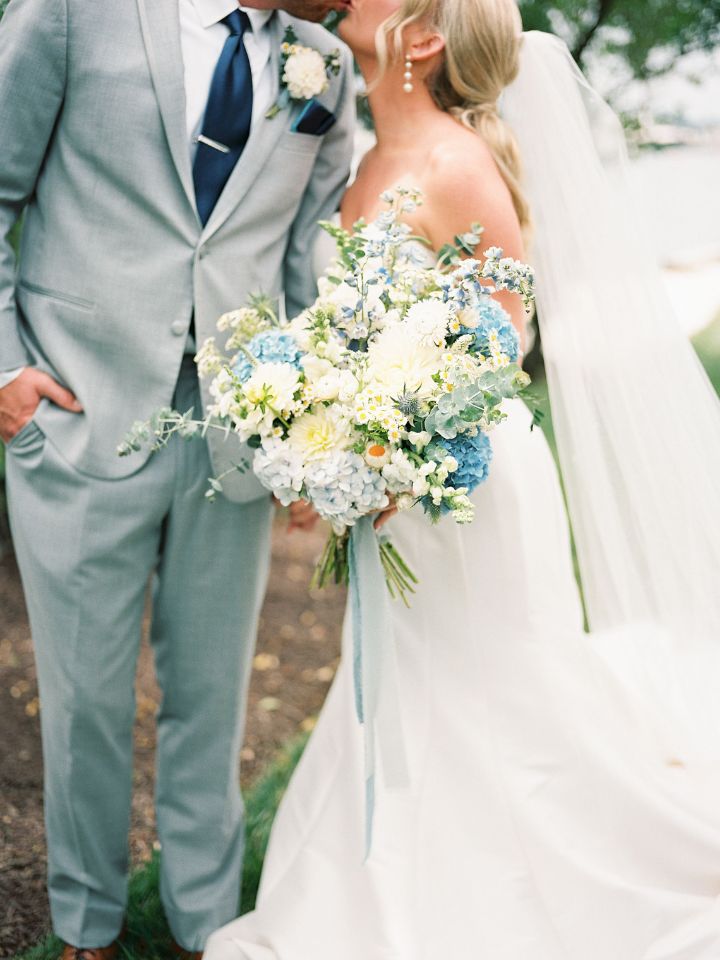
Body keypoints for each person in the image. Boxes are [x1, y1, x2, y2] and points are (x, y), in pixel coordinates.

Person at [205, 1, 720, 958]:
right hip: (398, 488)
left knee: (500, 693)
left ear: (425, 38)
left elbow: (499, 341)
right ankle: (397, 873)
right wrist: (316, 435)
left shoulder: (455, 164)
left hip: (465, 487)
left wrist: (394, 445)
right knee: (413, 684)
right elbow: (354, 336)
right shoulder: (369, 163)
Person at [0, 0, 355, 957]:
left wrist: (310, 423)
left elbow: (306, 261)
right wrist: (4, 372)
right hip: (77, 418)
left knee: (213, 697)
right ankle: (86, 922)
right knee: (85, 704)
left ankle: (207, 923)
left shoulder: (323, 63)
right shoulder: (75, 14)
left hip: (233, 435)